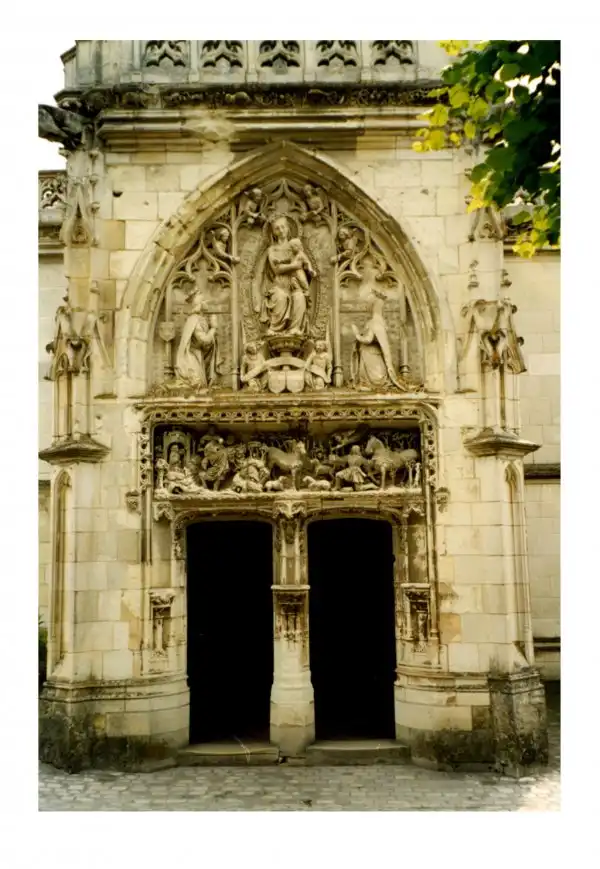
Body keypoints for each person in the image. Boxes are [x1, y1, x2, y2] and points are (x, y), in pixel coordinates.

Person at [175, 294, 219, 387]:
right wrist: (213, 327)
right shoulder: (194, 320)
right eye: (204, 300)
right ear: (199, 304)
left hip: (197, 355)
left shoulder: (200, 319)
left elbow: (206, 346)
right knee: (198, 385)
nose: (207, 302)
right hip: (191, 359)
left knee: (201, 386)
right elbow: (204, 340)